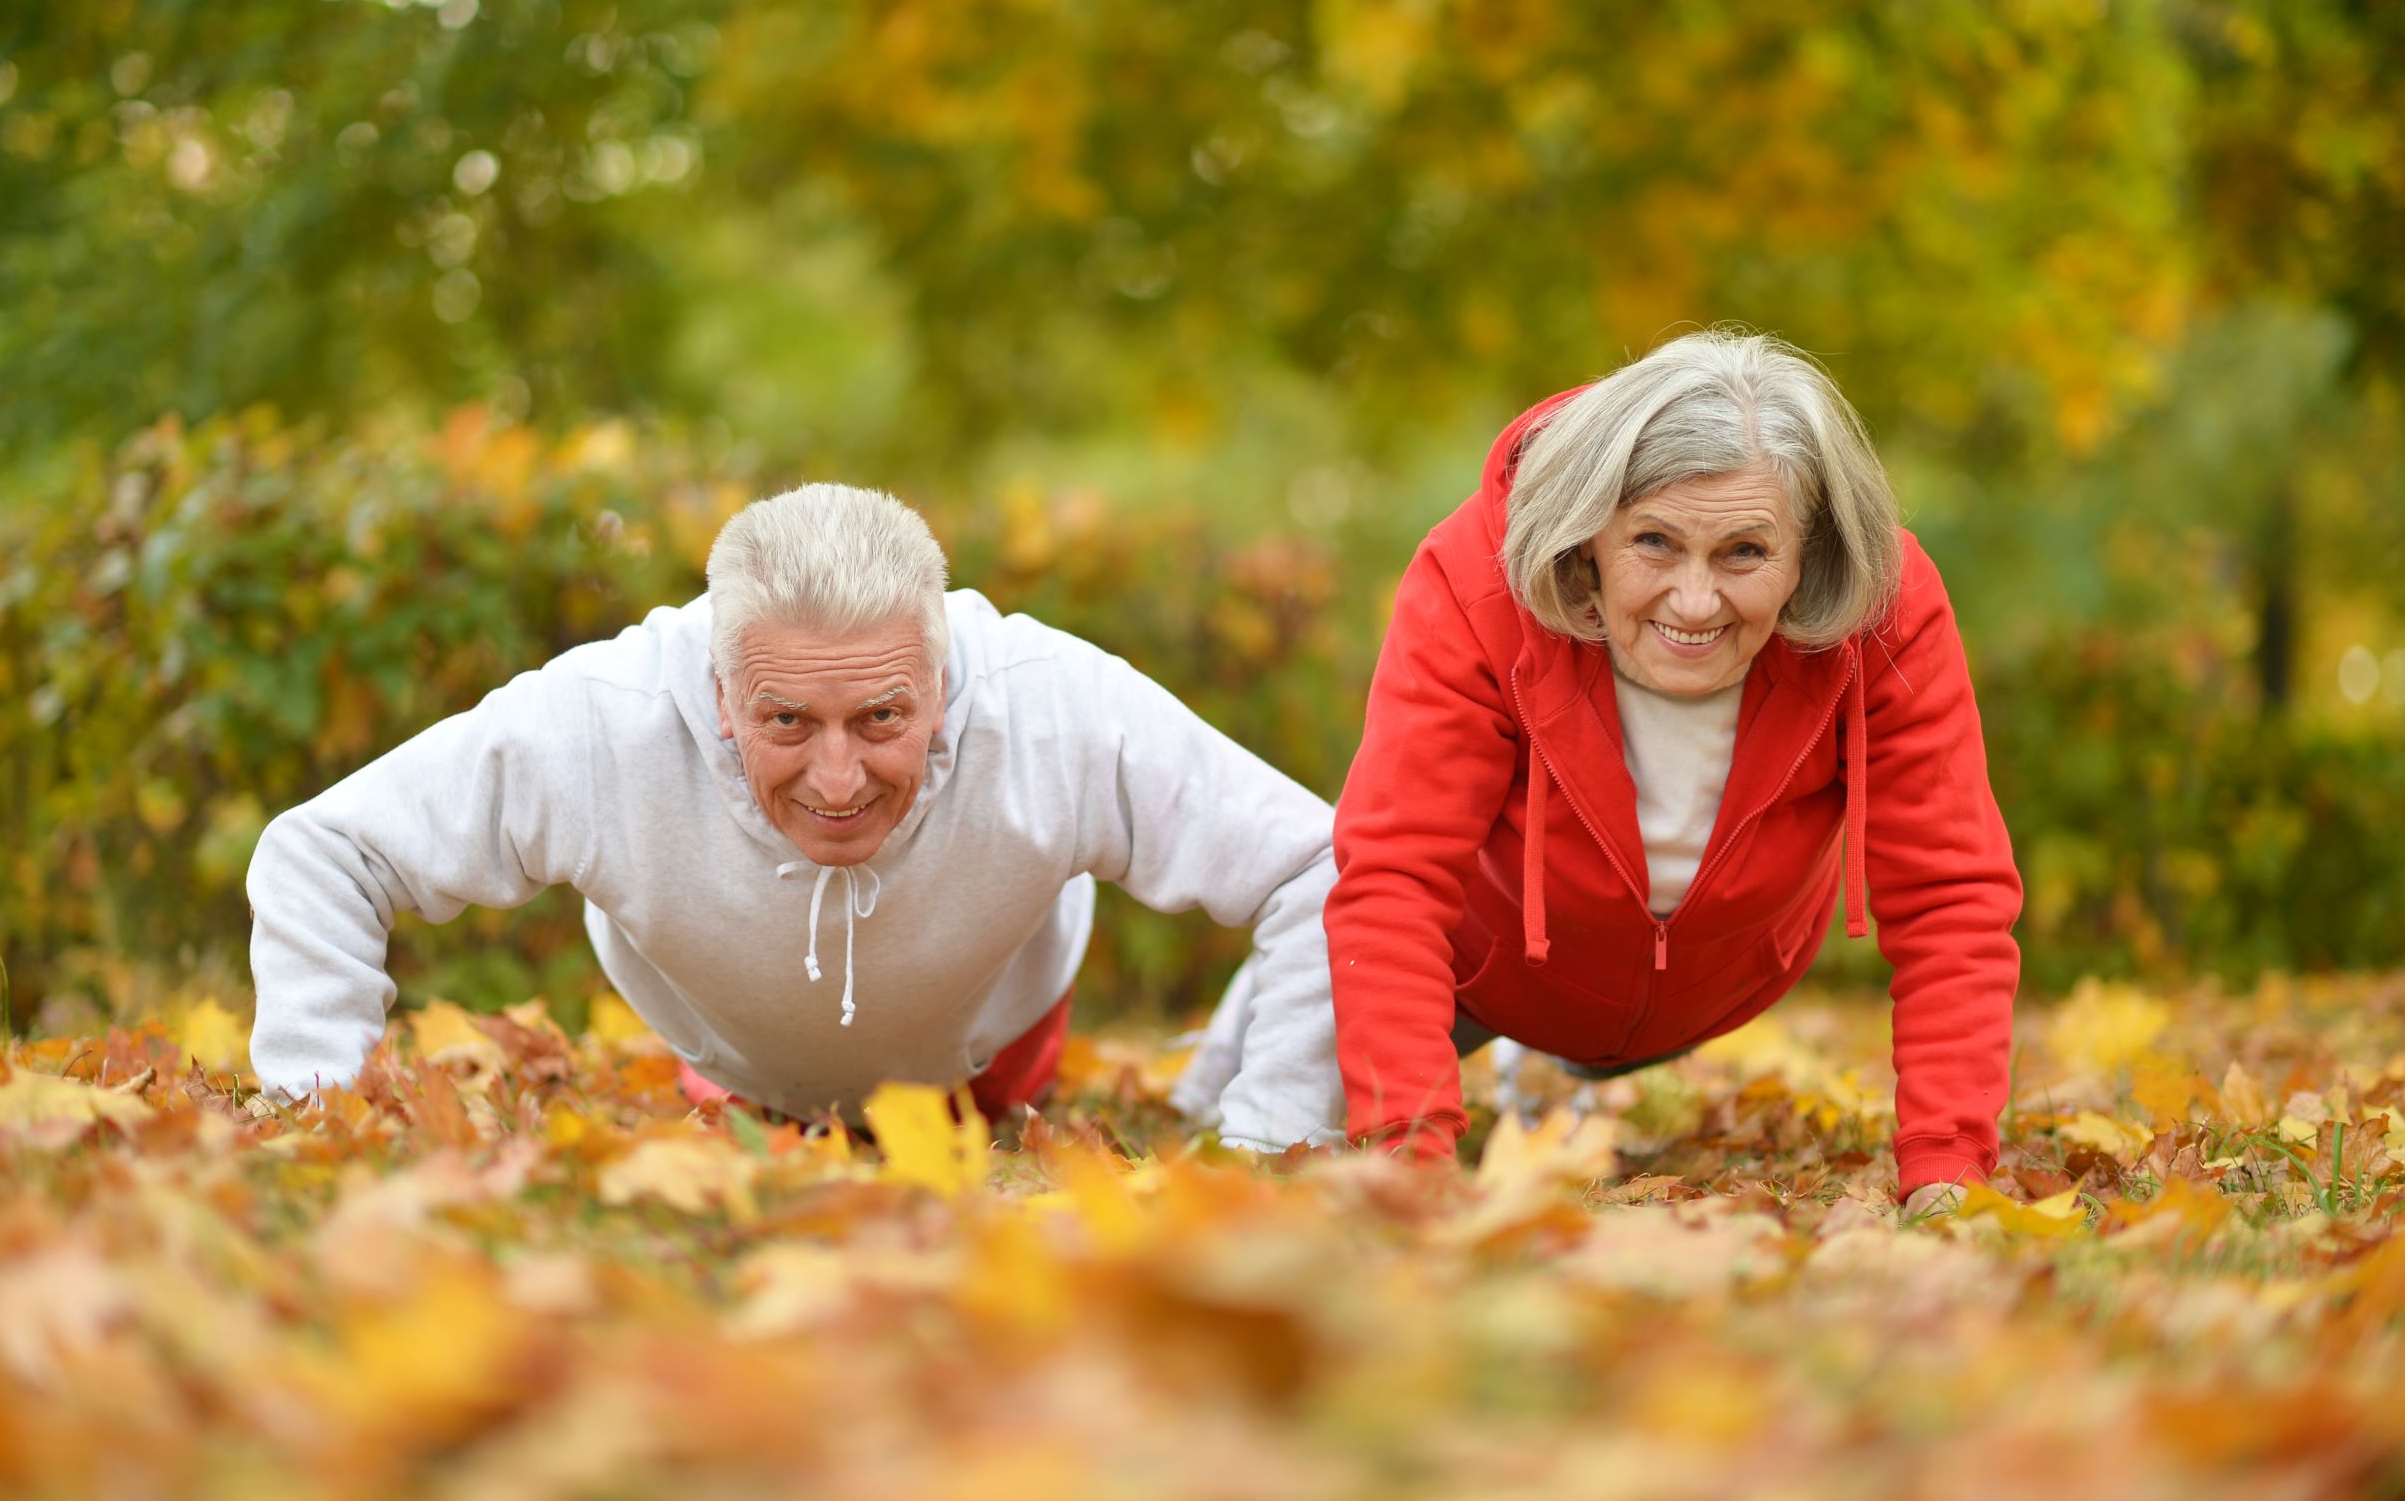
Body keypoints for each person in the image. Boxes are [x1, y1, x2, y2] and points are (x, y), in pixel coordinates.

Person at [247, 482, 1343, 1153]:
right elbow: (324, 848)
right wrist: (314, 1105)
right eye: (783, 719)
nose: (834, 777)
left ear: (943, 672)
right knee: (756, 1109)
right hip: (732, 1067)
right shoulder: (598, 718)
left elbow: (1319, 866)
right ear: (717, 691)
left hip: (988, 1063)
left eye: (880, 716)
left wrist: (1273, 1135)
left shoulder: (1057, 701)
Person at [1326, 330, 2022, 1215]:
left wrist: (1948, 1169)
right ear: (1587, 538)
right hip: (1481, 968)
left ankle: (1547, 1074)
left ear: (1809, 552)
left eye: (1744, 553)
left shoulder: (1886, 609)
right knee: (1275, 1069)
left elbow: (1950, 893)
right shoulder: (1474, 583)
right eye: (1654, 543)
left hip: (1714, 983)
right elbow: (1392, 879)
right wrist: (1410, 1166)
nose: (1694, 603)